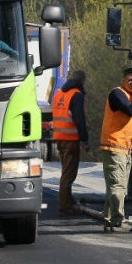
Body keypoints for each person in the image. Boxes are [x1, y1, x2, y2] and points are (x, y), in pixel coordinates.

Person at [100, 68, 132, 231]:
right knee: (117, 186)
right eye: (130, 78)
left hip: (126, 148)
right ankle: (117, 219)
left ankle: (110, 219)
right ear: (123, 79)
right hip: (114, 146)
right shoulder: (117, 94)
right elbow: (131, 110)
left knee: (118, 186)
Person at [51, 71, 90, 215]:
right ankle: (65, 205)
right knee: (68, 174)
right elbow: (79, 119)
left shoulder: (59, 93)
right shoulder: (76, 95)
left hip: (59, 137)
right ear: (82, 82)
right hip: (70, 139)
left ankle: (68, 199)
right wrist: (85, 139)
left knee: (65, 171)